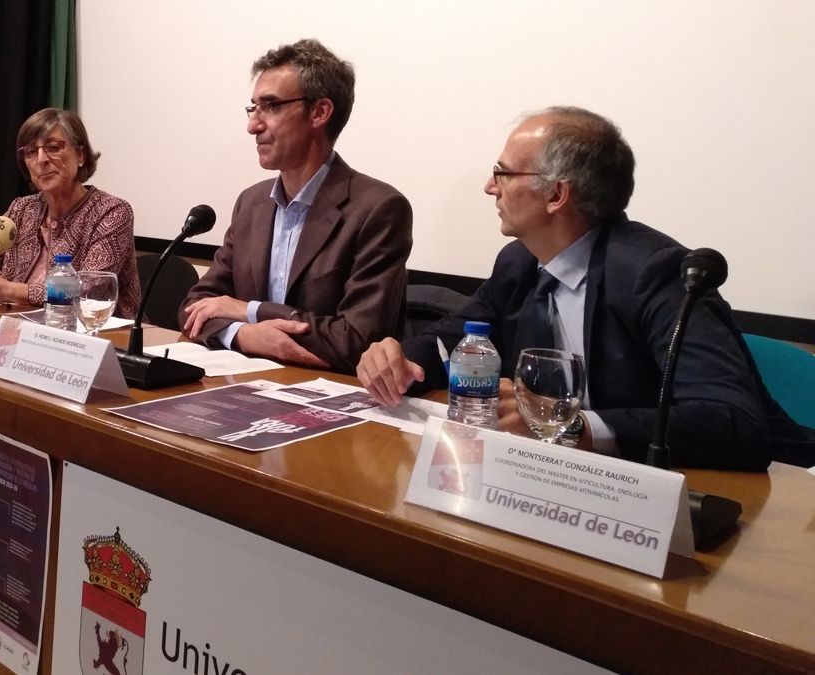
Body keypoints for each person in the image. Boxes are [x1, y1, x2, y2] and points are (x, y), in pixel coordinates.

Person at [357, 106, 792, 471]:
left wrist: (568, 424)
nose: (490, 187)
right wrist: (399, 359)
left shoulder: (656, 273)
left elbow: (734, 423)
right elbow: (456, 339)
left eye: (502, 174)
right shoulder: (520, 262)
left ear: (556, 195)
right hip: (553, 479)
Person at [179, 39, 412, 374]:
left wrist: (251, 311)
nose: (253, 125)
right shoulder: (251, 203)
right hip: (246, 387)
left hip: (332, 398)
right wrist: (244, 335)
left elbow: (358, 341)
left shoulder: (378, 209)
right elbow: (194, 307)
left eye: (271, 106)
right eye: (253, 108)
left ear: (319, 112)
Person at [0, 108, 140, 318]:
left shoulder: (111, 211)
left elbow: (88, 290)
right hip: (19, 326)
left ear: (81, 155)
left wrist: (10, 290)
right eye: (30, 152)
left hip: (100, 336)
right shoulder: (21, 209)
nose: (41, 159)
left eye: (53, 148)